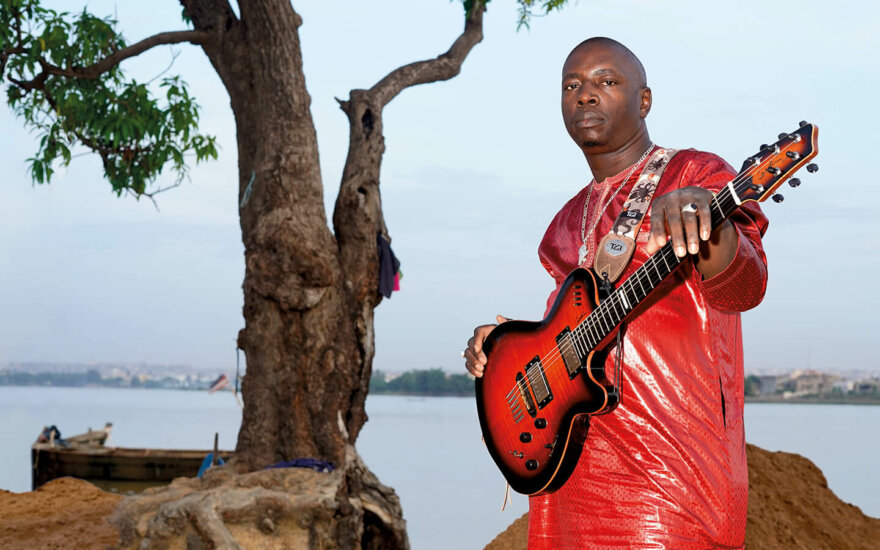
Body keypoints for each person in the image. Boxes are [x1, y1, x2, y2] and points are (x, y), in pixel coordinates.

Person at [463, 37, 768, 549]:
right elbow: (564, 330)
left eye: (606, 81)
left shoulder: (695, 176)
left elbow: (744, 287)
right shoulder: (566, 221)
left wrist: (710, 223)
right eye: (572, 85)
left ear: (643, 101)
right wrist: (506, 349)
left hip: (671, 475)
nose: (585, 94)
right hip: (570, 468)